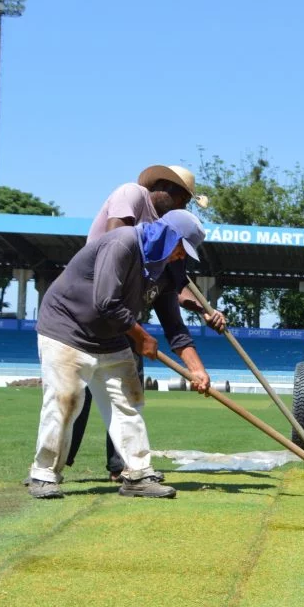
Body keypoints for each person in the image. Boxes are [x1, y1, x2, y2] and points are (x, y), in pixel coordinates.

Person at [27, 211, 213, 500]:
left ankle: (138, 474)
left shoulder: (168, 268)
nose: (180, 256)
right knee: (65, 401)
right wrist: (142, 337)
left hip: (111, 337)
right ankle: (44, 475)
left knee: (129, 401)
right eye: (180, 248)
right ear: (168, 237)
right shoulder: (123, 244)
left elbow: (174, 325)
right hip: (67, 329)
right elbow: (106, 301)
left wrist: (196, 369)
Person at [66, 165, 226, 479]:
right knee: (74, 396)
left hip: (124, 317)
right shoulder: (133, 198)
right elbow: (114, 250)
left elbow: (172, 308)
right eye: (183, 198)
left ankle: (124, 466)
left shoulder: (167, 239)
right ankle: (53, 465)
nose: (184, 206)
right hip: (92, 310)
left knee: (129, 394)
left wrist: (201, 319)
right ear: (164, 187)